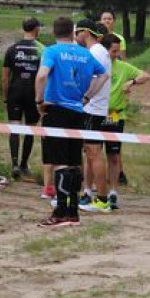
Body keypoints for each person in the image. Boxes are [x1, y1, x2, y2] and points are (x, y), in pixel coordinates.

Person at [35, 16, 107, 228]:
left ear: (55, 32)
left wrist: (39, 101)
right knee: (74, 161)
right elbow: (103, 75)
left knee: (59, 162)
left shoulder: (51, 51)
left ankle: (61, 211)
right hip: (77, 110)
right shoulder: (85, 54)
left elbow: (41, 76)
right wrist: (87, 96)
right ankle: (73, 211)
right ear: (72, 32)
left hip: (55, 108)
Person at [105, 36, 149, 209]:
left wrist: (132, 82)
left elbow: (146, 76)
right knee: (93, 154)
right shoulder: (96, 64)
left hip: (116, 116)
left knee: (114, 155)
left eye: (118, 50)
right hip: (96, 115)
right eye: (113, 51)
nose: (116, 54)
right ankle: (92, 190)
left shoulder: (123, 67)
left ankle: (113, 191)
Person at [78, 18, 114, 213]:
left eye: (78, 33)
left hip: (93, 109)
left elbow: (98, 78)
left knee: (94, 153)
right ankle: (89, 194)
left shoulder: (95, 52)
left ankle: (102, 199)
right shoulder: (98, 51)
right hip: (94, 107)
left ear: (85, 32)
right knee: (90, 153)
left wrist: (85, 97)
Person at [3, 17, 45, 180]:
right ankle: (23, 164)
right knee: (31, 128)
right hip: (33, 93)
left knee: (14, 127)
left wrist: (6, 96)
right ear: (36, 29)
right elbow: (45, 75)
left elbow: (5, 77)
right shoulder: (42, 49)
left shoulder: (12, 48)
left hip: (15, 91)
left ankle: (14, 164)